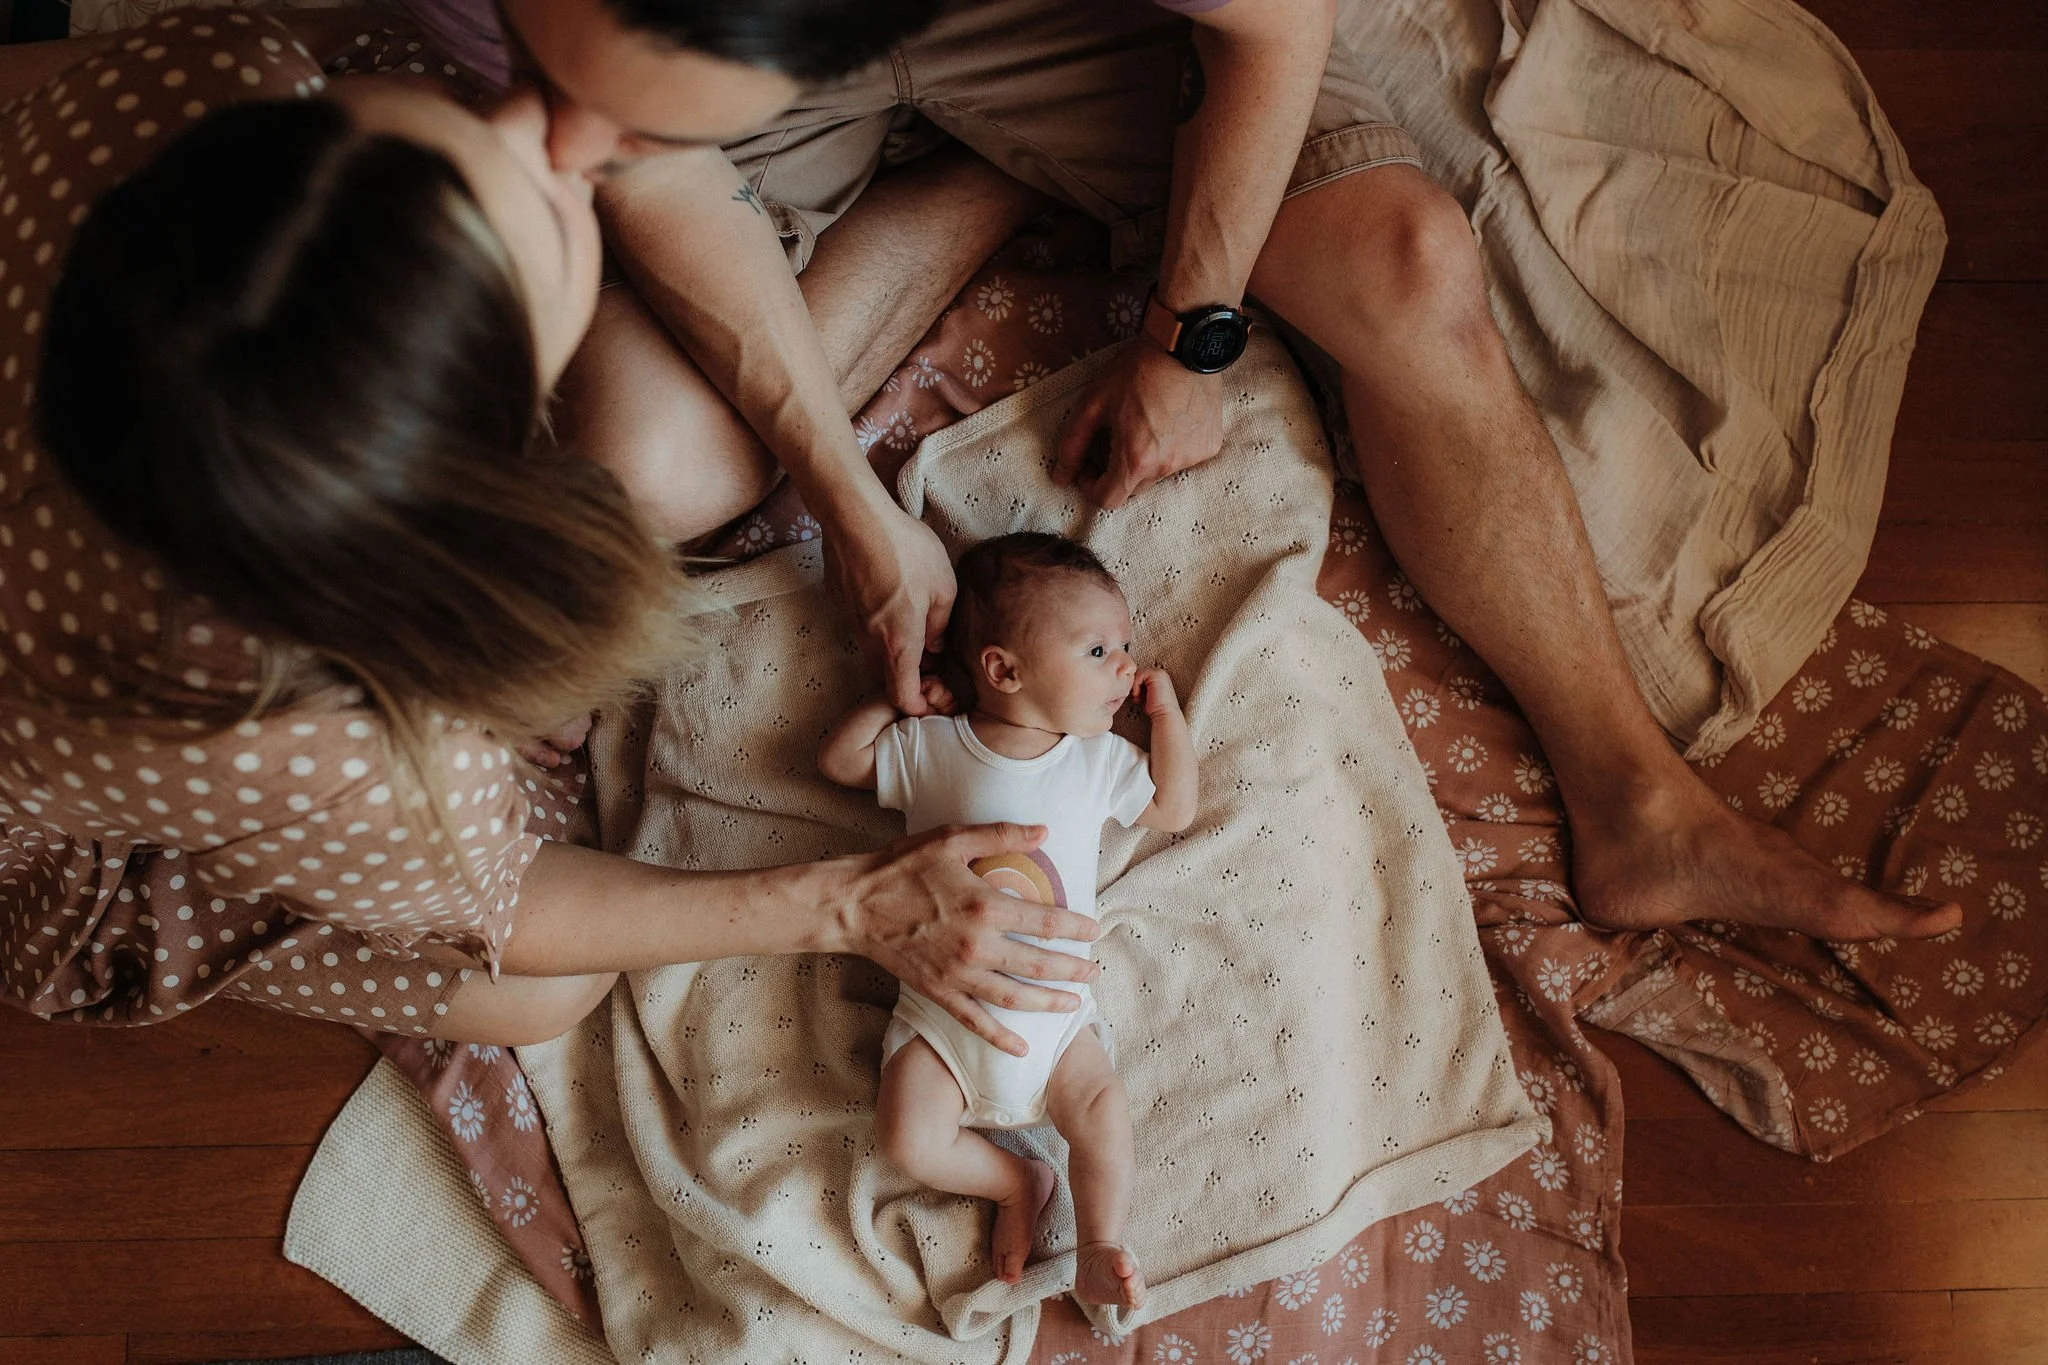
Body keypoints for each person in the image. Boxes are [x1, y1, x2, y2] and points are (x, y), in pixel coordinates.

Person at [405, 0, 1963, 945]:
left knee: (1411, 270)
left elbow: (1272, 29)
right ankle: (981, 186)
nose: (551, 143)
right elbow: (655, 172)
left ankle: (1643, 808)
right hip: (761, 102)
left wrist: (1188, 337)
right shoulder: (578, 65)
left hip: (1030, 25)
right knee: (648, 473)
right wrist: (850, 503)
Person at [0, 11, 1101, 1054]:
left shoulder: (191, 79)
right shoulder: (306, 744)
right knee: (543, 992)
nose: (570, 129)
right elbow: (508, 906)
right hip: (69, 799)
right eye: (559, 200)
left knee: (662, 458)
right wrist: (850, 906)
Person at [819, 533, 1197, 1309]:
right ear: (1003, 668)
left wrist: (1169, 722)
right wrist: (900, 698)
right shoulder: (934, 746)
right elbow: (842, 761)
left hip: (1059, 1026)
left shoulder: (1096, 762)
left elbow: (1174, 807)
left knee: (1101, 1111)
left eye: (1125, 645)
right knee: (907, 1138)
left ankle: (1099, 1243)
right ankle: (1015, 1180)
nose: (1126, 666)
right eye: (1098, 649)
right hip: (942, 1017)